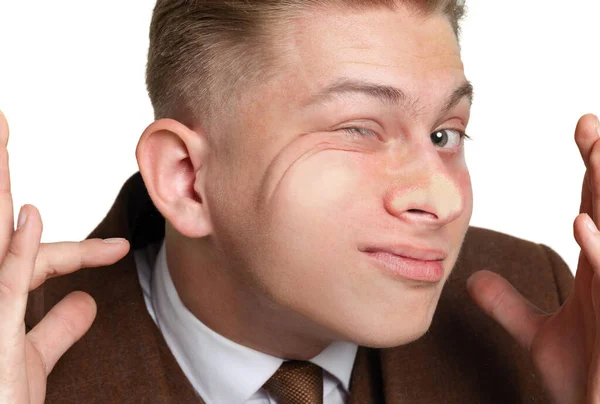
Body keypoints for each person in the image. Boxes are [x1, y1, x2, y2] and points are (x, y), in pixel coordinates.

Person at [0, 0, 598, 403]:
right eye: (358, 129)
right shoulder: (26, 365)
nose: (442, 200)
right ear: (186, 179)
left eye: (445, 134)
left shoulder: (546, 307)